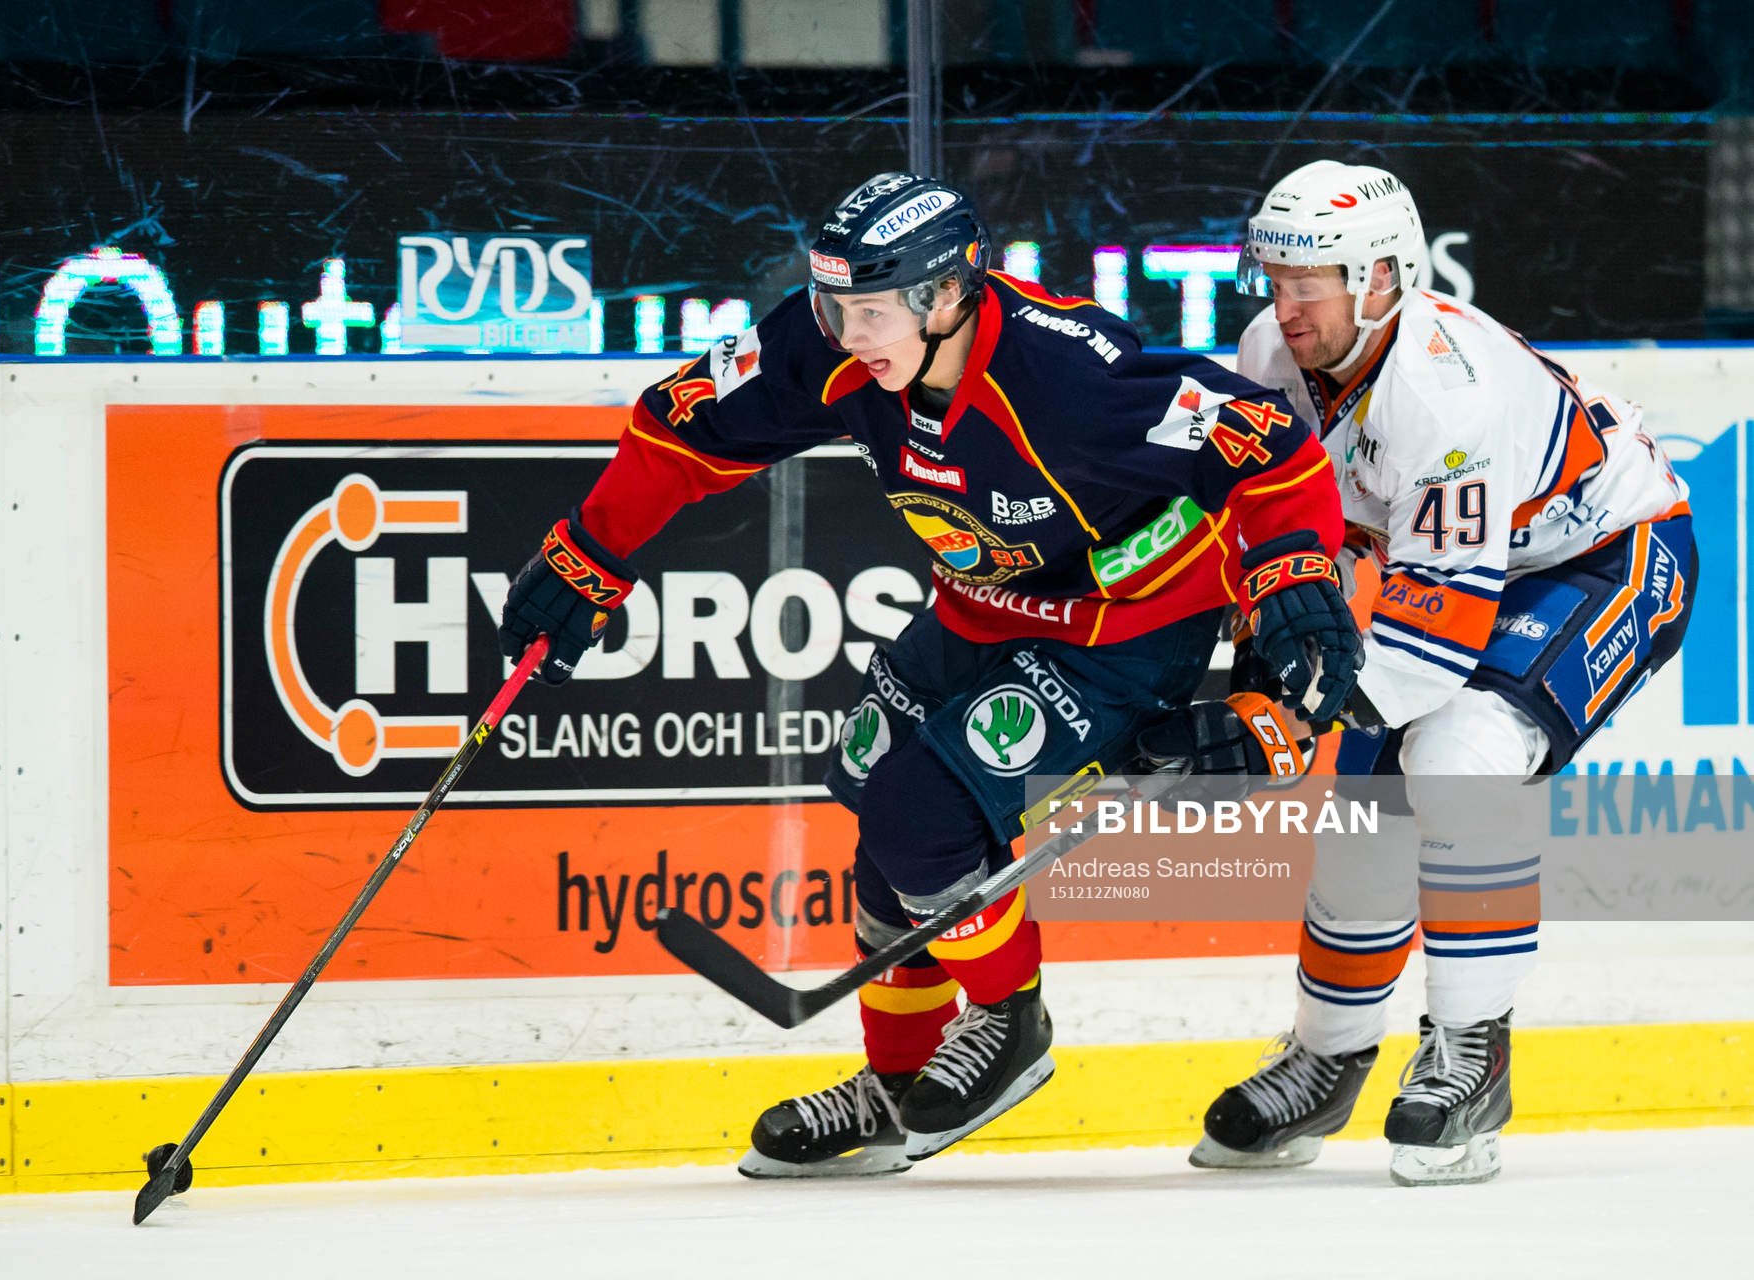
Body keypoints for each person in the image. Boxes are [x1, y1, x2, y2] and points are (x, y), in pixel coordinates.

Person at [498, 171, 1359, 1178]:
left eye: (871, 309)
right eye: (835, 305)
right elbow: (680, 425)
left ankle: (1006, 1019)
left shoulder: (1065, 376)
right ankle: (895, 1082)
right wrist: (585, 552)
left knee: (923, 815)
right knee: (875, 792)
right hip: (979, 606)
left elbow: (1270, 443)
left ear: (947, 294)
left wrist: (1291, 573)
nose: (848, 331)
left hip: (1123, 628)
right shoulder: (830, 348)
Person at [1189, 159, 1696, 1185]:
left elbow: (1428, 654)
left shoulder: (1445, 392)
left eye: (1311, 281)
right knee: (1367, 817)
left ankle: (1473, 1052)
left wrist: (1271, 719)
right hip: (1454, 567)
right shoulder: (1265, 355)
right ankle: (1327, 1055)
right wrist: (1243, 681)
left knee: (1459, 755)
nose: (1285, 306)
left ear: (1383, 278)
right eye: (1276, 279)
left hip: (1599, 557)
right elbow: (1275, 541)